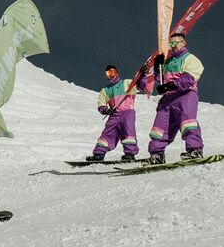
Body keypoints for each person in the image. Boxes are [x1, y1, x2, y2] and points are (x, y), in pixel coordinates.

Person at [143, 31, 204, 164]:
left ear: (183, 43)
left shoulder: (190, 59)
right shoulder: (168, 61)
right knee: (159, 127)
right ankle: (157, 154)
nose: (173, 46)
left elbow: (188, 79)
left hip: (185, 94)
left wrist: (170, 85)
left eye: (176, 43)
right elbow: (161, 81)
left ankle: (194, 150)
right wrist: (158, 67)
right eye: (171, 44)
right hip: (169, 98)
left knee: (187, 122)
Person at [84, 64, 139, 161]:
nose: (111, 75)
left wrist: (142, 76)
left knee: (128, 131)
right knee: (107, 132)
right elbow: (101, 102)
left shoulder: (126, 83)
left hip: (127, 112)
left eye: (113, 72)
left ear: (117, 72)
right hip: (115, 115)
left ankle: (130, 153)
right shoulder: (106, 90)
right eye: (108, 73)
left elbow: (140, 86)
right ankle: (99, 154)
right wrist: (105, 110)